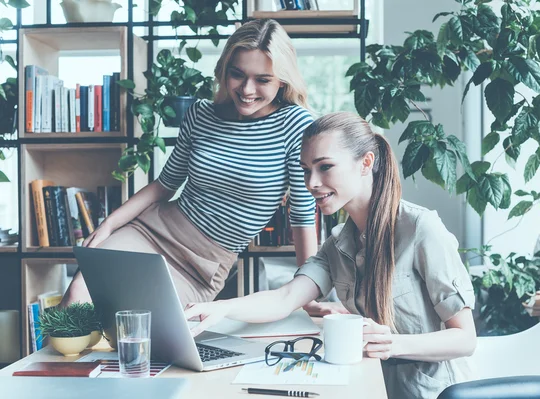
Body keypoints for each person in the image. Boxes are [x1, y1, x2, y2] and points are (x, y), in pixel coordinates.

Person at [61, 19, 347, 316]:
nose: (247, 89)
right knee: (77, 296)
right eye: (238, 75)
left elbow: (301, 215)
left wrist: (307, 294)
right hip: (151, 232)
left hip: (204, 265)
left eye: (263, 79)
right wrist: (109, 225)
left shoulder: (296, 126)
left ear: (283, 81)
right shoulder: (200, 114)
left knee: (155, 333)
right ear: (225, 70)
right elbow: (164, 184)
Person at [184, 112, 477, 398]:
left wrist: (393, 344)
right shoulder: (337, 244)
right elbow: (284, 298)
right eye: (305, 169)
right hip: (368, 384)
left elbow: (465, 339)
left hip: (430, 391)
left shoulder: (420, 228)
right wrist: (221, 308)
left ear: (366, 163)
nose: (311, 182)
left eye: (325, 167)